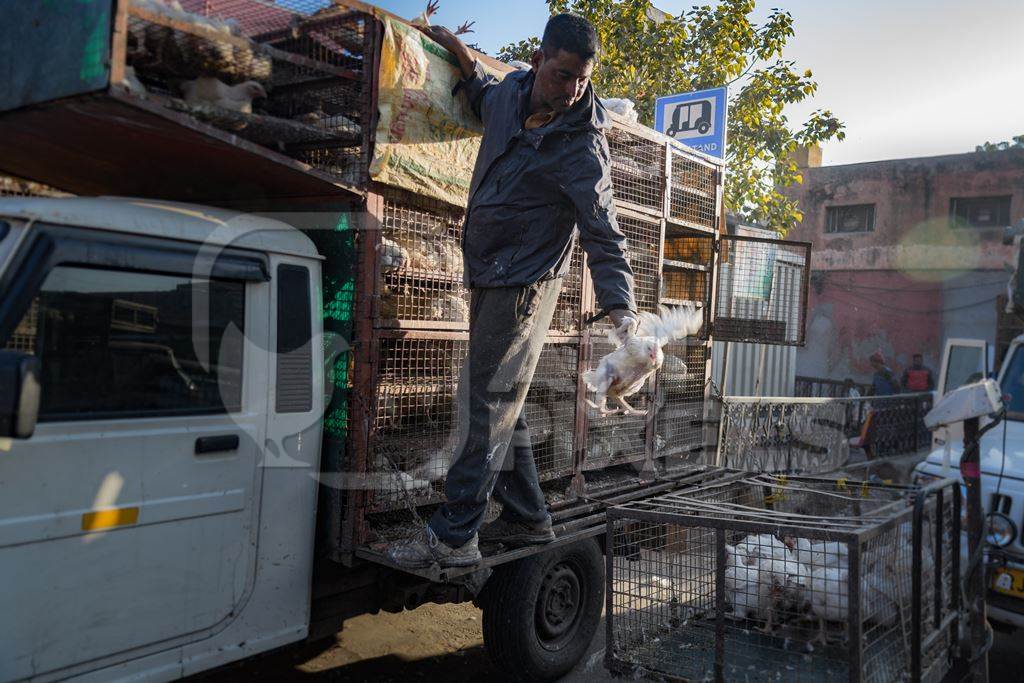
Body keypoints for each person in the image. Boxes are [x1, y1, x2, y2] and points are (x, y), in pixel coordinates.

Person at [387, 14, 637, 569]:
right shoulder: (509, 96)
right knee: (504, 399)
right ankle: (527, 514)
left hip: (525, 280)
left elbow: (605, 232)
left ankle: (455, 536)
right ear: (539, 60)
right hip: (486, 268)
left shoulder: (583, 147)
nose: (572, 88)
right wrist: (455, 50)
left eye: (582, 78)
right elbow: (479, 95)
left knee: (484, 399)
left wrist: (625, 318)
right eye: (563, 73)